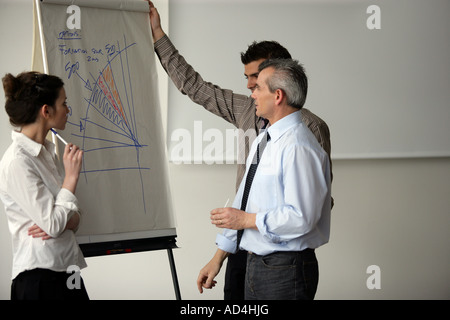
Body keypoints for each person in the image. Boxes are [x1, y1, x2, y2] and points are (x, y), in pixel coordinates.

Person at [148, 1, 333, 299]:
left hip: (281, 261)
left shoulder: (306, 134)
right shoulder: (256, 123)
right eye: (248, 79)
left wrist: (252, 221)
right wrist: (157, 33)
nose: (249, 87)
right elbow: (194, 86)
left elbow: (310, 208)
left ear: (278, 85)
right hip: (244, 252)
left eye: (256, 80)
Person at [198, 59, 332, 299]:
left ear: (278, 95)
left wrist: (245, 220)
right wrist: (217, 257)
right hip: (258, 266)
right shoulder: (264, 139)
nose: (252, 95)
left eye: (258, 87)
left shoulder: (299, 147)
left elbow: (302, 218)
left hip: (285, 270)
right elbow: (245, 198)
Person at [0, 71, 88, 300]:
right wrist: (70, 180)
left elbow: (72, 218)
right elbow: (53, 223)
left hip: (69, 270)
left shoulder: (47, 153)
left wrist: (63, 219)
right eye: (64, 103)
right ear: (46, 111)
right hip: (38, 278)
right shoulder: (17, 161)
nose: (68, 110)